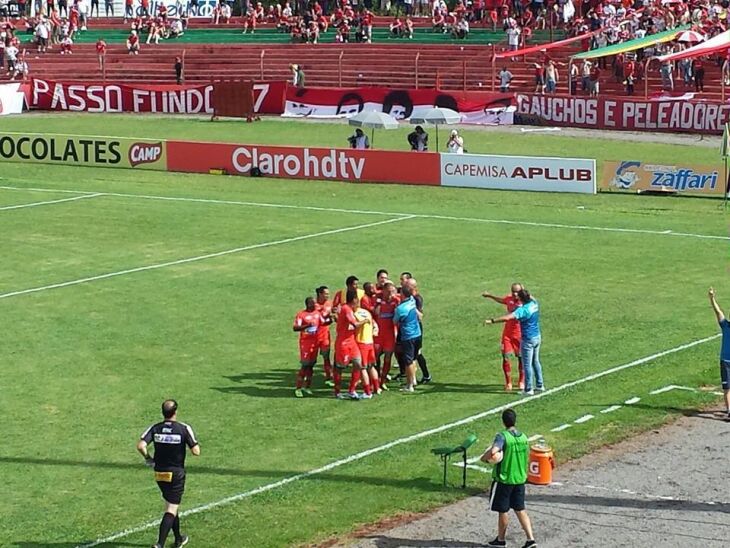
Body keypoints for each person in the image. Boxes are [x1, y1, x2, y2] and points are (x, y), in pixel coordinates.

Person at [138, 400, 200, 548]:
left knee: (171, 504)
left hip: (160, 473)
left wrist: (148, 458)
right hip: (176, 474)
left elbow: (141, 445)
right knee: (171, 509)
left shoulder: (155, 428)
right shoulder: (183, 428)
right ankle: (159, 544)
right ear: (175, 412)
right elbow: (196, 452)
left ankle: (178, 539)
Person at [481, 408, 536, 548]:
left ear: (503, 421)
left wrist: (485, 459)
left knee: (503, 511)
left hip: (505, 480)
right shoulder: (523, 437)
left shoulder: (502, 436)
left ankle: (500, 540)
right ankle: (530, 539)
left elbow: (494, 452)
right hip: (519, 479)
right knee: (520, 509)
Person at [485, 288, 542, 395]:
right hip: (537, 336)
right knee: (535, 361)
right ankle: (540, 385)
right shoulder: (534, 303)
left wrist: (492, 320)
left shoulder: (523, 310)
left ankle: (528, 389)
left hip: (527, 338)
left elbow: (507, 318)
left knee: (527, 364)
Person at [482, 284, 524, 391]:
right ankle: (508, 382)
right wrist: (490, 296)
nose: (514, 294)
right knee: (505, 356)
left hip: (519, 334)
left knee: (521, 357)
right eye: (513, 291)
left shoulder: (525, 302)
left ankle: (521, 381)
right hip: (507, 334)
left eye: (517, 292)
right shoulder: (509, 299)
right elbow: (502, 300)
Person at [334, 289, 370, 399]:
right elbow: (354, 324)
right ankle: (337, 392)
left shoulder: (349, 309)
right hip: (343, 343)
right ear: (354, 299)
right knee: (339, 367)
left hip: (352, 342)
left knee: (358, 365)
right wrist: (365, 321)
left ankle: (351, 390)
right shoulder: (346, 309)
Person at [393, 283, 422, 392]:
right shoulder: (412, 300)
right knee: (413, 358)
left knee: (408, 361)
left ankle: (409, 385)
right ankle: (413, 380)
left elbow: (394, 321)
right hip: (417, 333)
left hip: (408, 336)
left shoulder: (400, 309)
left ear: (402, 294)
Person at [292, 296, 323, 398]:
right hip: (305, 343)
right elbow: (295, 328)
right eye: (313, 303)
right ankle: (298, 388)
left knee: (311, 365)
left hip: (315, 343)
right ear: (308, 304)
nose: (315, 305)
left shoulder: (317, 313)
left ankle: (307, 387)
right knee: (305, 365)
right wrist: (307, 326)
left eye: (315, 303)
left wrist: (332, 319)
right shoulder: (301, 315)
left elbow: (323, 322)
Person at [708, 288, 730, 420]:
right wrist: (712, 299)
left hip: (726, 361)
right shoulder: (725, 325)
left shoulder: (726, 326)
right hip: (726, 362)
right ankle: (729, 411)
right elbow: (718, 312)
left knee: (728, 388)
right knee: (727, 388)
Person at [374, 281, 400, 389]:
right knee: (375, 358)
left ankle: (383, 380)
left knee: (388, 357)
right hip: (378, 335)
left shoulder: (396, 301)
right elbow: (376, 313)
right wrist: (380, 302)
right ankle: (375, 379)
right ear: (383, 291)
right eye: (388, 292)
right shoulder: (378, 301)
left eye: (392, 292)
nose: (391, 294)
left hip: (389, 335)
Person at [354, 297, 379, 398]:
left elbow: (352, 327)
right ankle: (377, 388)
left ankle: (367, 392)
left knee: (362, 368)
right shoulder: (366, 312)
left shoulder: (354, 314)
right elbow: (374, 325)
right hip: (370, 342)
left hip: (361, 343)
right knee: (371, 366)